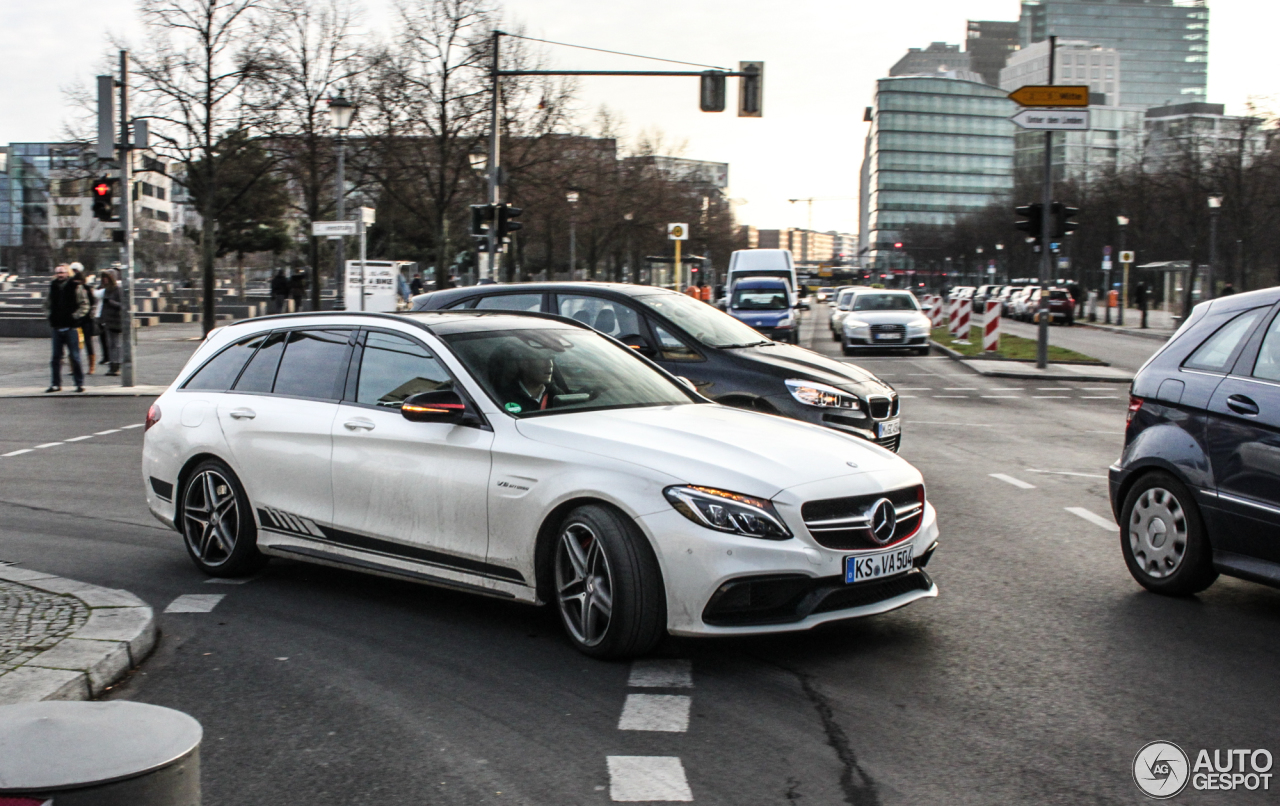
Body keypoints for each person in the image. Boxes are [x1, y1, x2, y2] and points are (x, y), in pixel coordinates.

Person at [43, 264, 88, 392]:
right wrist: (49, 316)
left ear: (67, 273)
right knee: (56, 358)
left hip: (71, 327)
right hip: (57, 326)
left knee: (75, 356)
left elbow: (84, 304)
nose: (60, 275)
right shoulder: (52, 287)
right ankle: (55, 384)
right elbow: (46, 304)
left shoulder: (75, 286)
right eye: (58, 272)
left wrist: (75, 316)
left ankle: (79, 383)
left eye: (62, 272)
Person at [490, 343, 562, 414]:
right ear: (524, 364)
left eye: (551, 359)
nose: (550, 364)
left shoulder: (557, 394)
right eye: (542, 359)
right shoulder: (501, 397)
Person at [70, 265, 97, 375]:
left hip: (86, 319)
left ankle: (91, 367)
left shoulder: (87, 289)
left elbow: (92, 303)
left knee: (88, 342)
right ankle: (74, 367)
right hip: (75, 320)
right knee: (73, 343)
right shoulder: (71, 289)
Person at [100, 269, 124, 376]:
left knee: (116, 344)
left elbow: (122, 305)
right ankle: (112, 365)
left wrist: (110, 302)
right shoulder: (104, 290)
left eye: (106, 278)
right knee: (110, 344)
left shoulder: (117, 290)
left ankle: (116, 365)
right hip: (107, 320)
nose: (104, 280)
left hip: (116, 320)